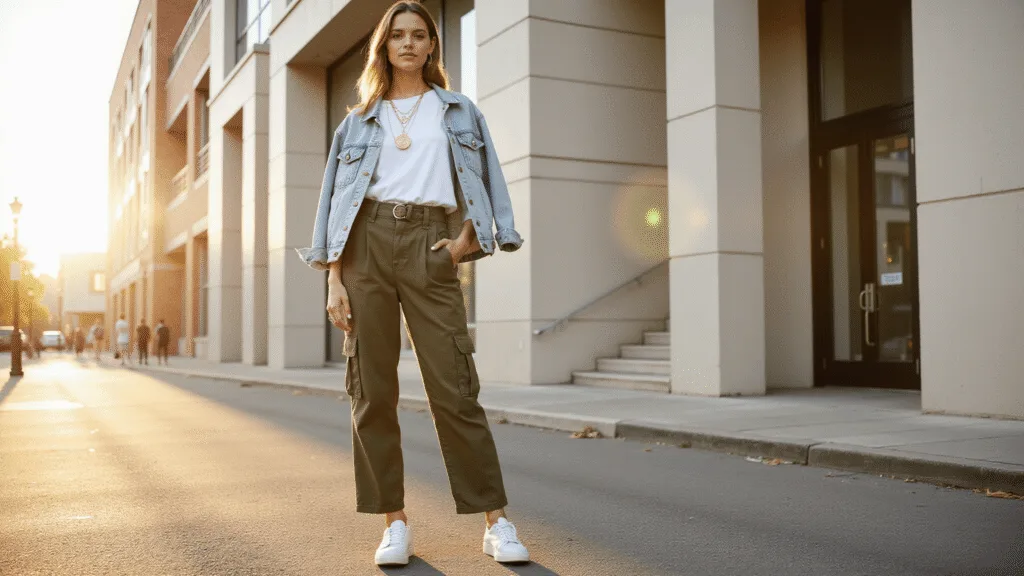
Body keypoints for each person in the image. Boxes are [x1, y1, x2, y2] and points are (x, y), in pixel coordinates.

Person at [296, 2, 527, 567]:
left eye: (418, 35)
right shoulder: (357, 121)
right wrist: (334, 279)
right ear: (384, 45)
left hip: (430, 246)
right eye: (396, 35)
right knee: (371, 391)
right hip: (366, 249)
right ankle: (393, 522)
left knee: (454, 386)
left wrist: (470, 238)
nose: (407, 43)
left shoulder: (458, 112)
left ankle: (496, 520)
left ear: (431, 47)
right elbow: (332, 205)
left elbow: (486, 178)